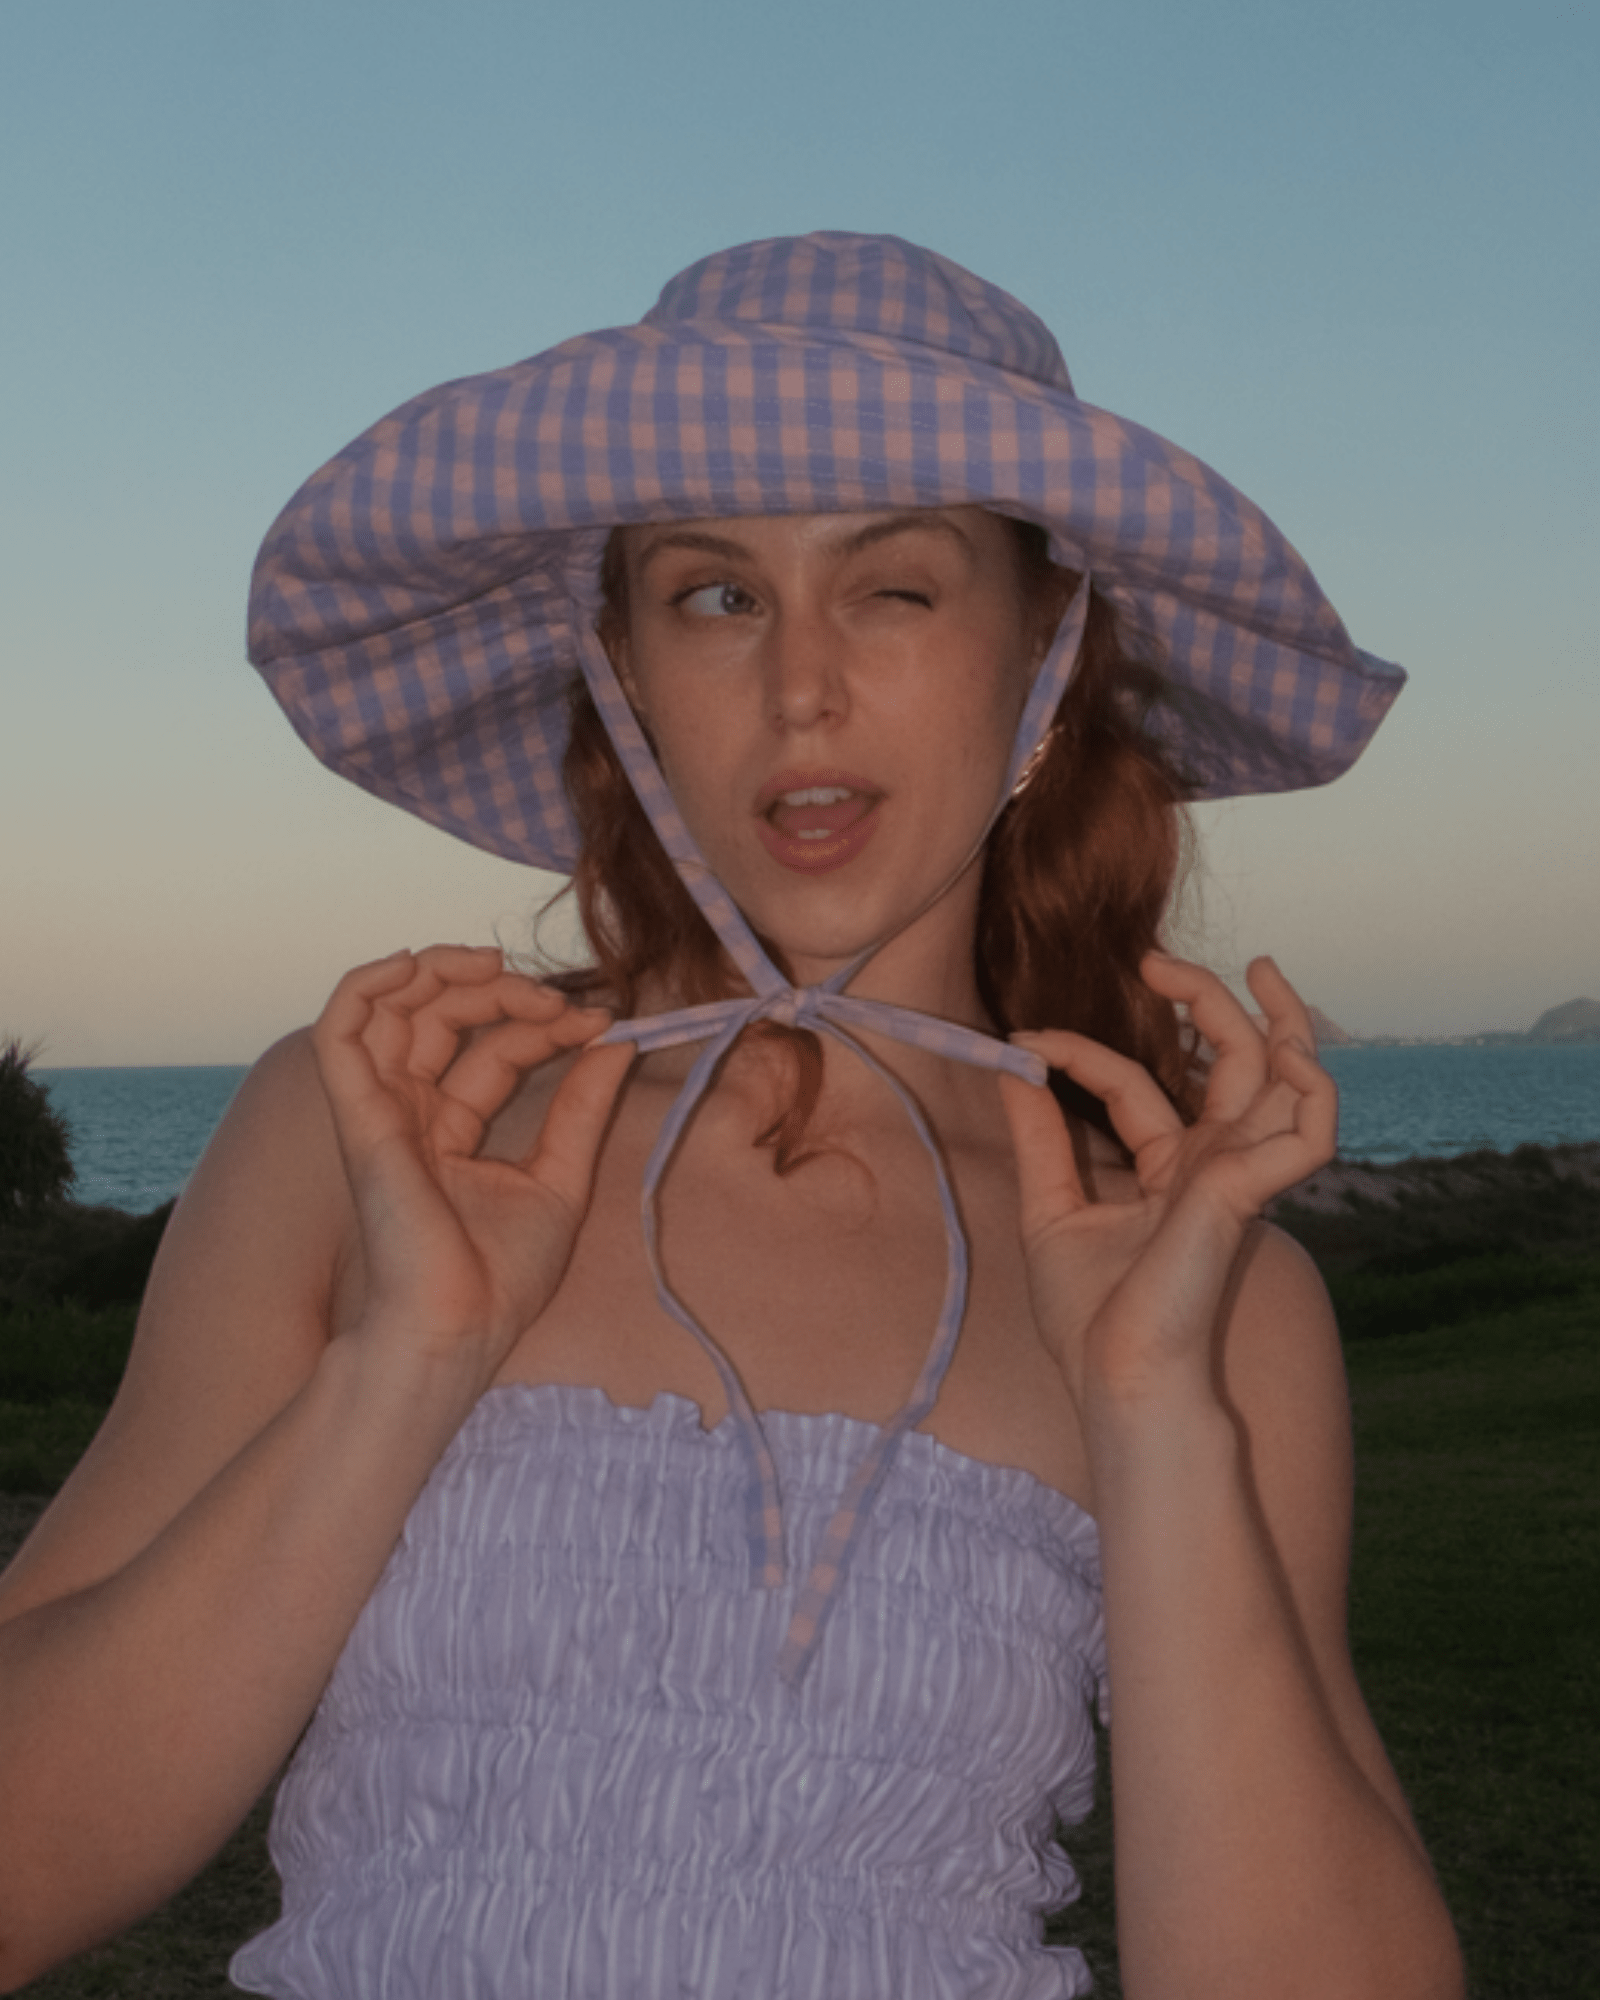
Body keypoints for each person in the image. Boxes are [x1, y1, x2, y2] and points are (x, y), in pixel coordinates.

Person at [0, 233, 1463, 1998]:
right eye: (714, 595)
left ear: (1045, 648)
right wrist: (406, 1363)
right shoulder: (375, 1133)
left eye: (897, 587)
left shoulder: (1205, 1292)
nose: (800, 687)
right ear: (618, 661)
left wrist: (1153, 1413)